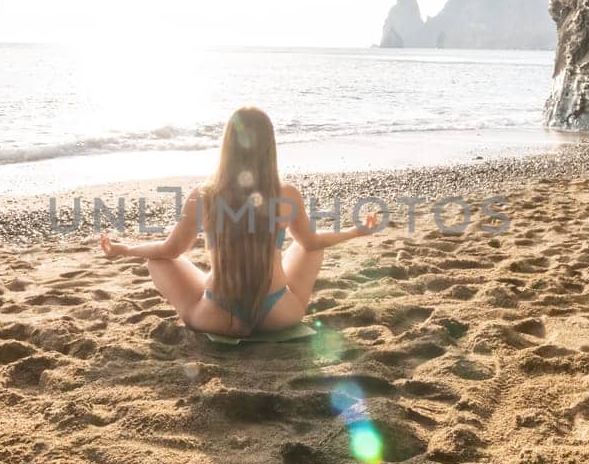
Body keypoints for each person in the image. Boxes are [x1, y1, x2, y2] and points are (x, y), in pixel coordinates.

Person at [99, 106, 380, 336]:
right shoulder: (286, 194)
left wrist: (126, 250)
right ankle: (272, 308)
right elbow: (312, 242)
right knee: (310, 246)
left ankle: (215, 300)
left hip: (219, 317)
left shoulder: (204, 195)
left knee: (157, 261)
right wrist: (357, 230)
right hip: (279, 314)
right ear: (269, 147)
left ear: (228, 145)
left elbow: (169, 251)